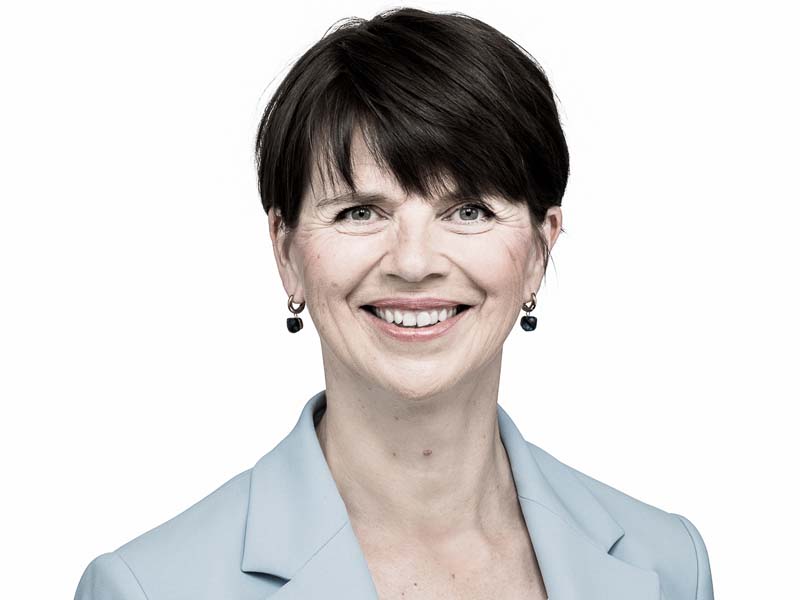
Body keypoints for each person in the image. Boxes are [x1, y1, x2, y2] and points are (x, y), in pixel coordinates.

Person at [74, 7, 714, 600]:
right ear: (286, 252)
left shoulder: (668, 566)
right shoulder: (149, 588)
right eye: (359, 212)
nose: (412, 262)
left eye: (469, 210)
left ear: (540, 250)